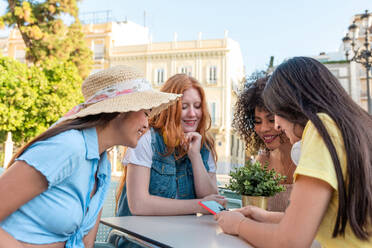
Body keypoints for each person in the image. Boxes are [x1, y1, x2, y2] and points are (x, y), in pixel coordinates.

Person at [0, 65, 180, 248]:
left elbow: (86, 242)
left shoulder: (102, 164)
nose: (146, 124)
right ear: (119, 111)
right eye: (145, 113)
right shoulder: (68, 147)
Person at [215, 57, 372, 247]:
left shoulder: (321, 129)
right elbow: (313, 221)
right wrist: (264, 216)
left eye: (276, 114)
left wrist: (239, 225)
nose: (278, 125)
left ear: (295, 104)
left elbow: (290, 241)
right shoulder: (349, 127)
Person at [115, 73, 226, 217]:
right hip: (138, 236)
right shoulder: (147, 139)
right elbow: (138, 205)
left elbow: (213, 203)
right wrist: (199, 205)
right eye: (184, 106)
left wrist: (195, 156)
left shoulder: (204, 145)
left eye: (197, 106)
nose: (192, 114)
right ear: (169, 108)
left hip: (181, 236)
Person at [233, 76, 296, 211]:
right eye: (257, 121)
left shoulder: (307, 156)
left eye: (271, 120)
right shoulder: (262, 161)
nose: (263, 128)